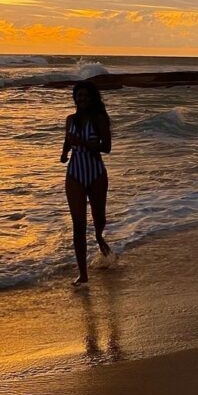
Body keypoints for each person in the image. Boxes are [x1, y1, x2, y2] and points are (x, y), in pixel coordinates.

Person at [60, 80, 112, 286]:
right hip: (74, 174)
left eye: (86, 96)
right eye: (79, 96)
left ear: (92, 99)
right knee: (78, 225)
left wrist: (82, 143)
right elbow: (68, 138)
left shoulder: (99, 119)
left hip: (96, 173)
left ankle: (99, 237)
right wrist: (64, 152)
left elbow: (106, 147)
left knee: (99, 219)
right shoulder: (70, 119)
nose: (82, 99)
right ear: (75, 98)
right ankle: (83, 274)